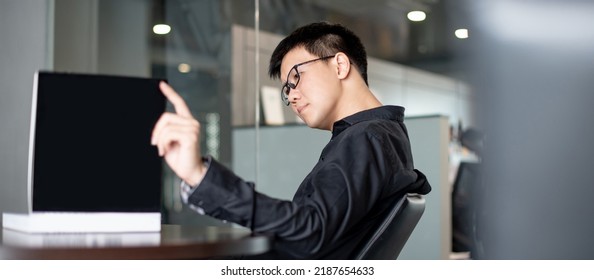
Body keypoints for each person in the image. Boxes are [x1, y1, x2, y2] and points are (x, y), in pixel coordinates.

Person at [150, 21, 431, 259]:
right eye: (287, 89)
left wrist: (201, 176)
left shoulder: (366, 137)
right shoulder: (381, 134)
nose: (292, 96)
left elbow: (311, 229)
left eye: (297, 77)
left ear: (340, 65)